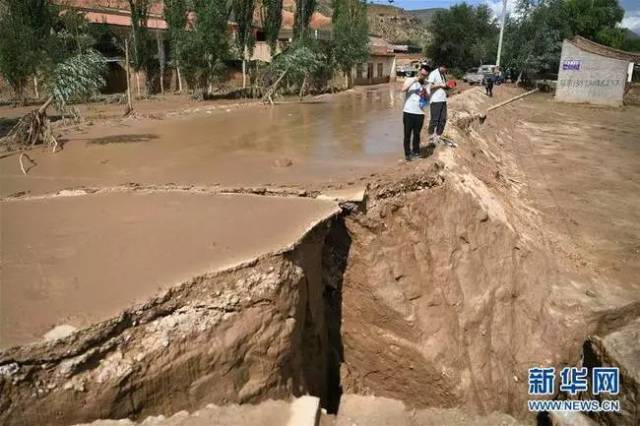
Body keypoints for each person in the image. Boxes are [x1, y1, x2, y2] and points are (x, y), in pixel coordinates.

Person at [401, 64, 429, 161]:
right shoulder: (410, 80)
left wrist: (425, 92)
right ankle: (407, 154)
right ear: (419, 72)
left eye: (425, 75)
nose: (423, 76)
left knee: (417, 134)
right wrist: (414, 80)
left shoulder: (427, 83)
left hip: (420, 113)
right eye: (422, 74)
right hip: (408, 111)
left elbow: (427, 98)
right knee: (407, 134)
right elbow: (403, 89)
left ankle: (416, 152)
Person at [427, 65, 449, 145]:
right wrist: (440, 85)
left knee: (443, 119)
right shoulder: (433, 74)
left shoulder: (443, 74)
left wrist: (447, 86)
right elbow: (428, 87)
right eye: (446, 68)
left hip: (443, 100)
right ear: (441, 66)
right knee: (434, 120)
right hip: (435, 100)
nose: (446, 70)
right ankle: (431, 137)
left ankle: (438, 136)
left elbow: (443, 86)